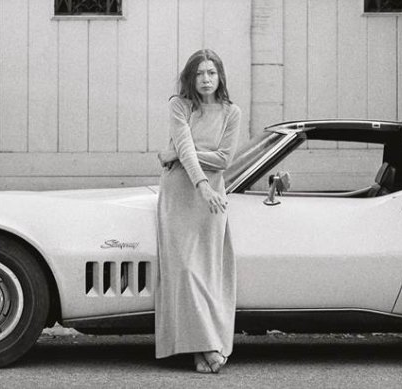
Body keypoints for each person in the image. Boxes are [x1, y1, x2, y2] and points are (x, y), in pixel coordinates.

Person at [155, 49, 241, 374]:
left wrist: (174, 152)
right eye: (199, 73)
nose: (206, 79)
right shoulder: (179, 105)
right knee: (185, 273)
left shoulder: (232, 113)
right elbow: (194, 153)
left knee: (208, 276)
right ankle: (206, 346)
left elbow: (225, 159)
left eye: (211, 73)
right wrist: (201, 183)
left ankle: (204, 349)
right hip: (181, 194)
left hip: (212, 201)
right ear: (191, 78)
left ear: (220, 77)